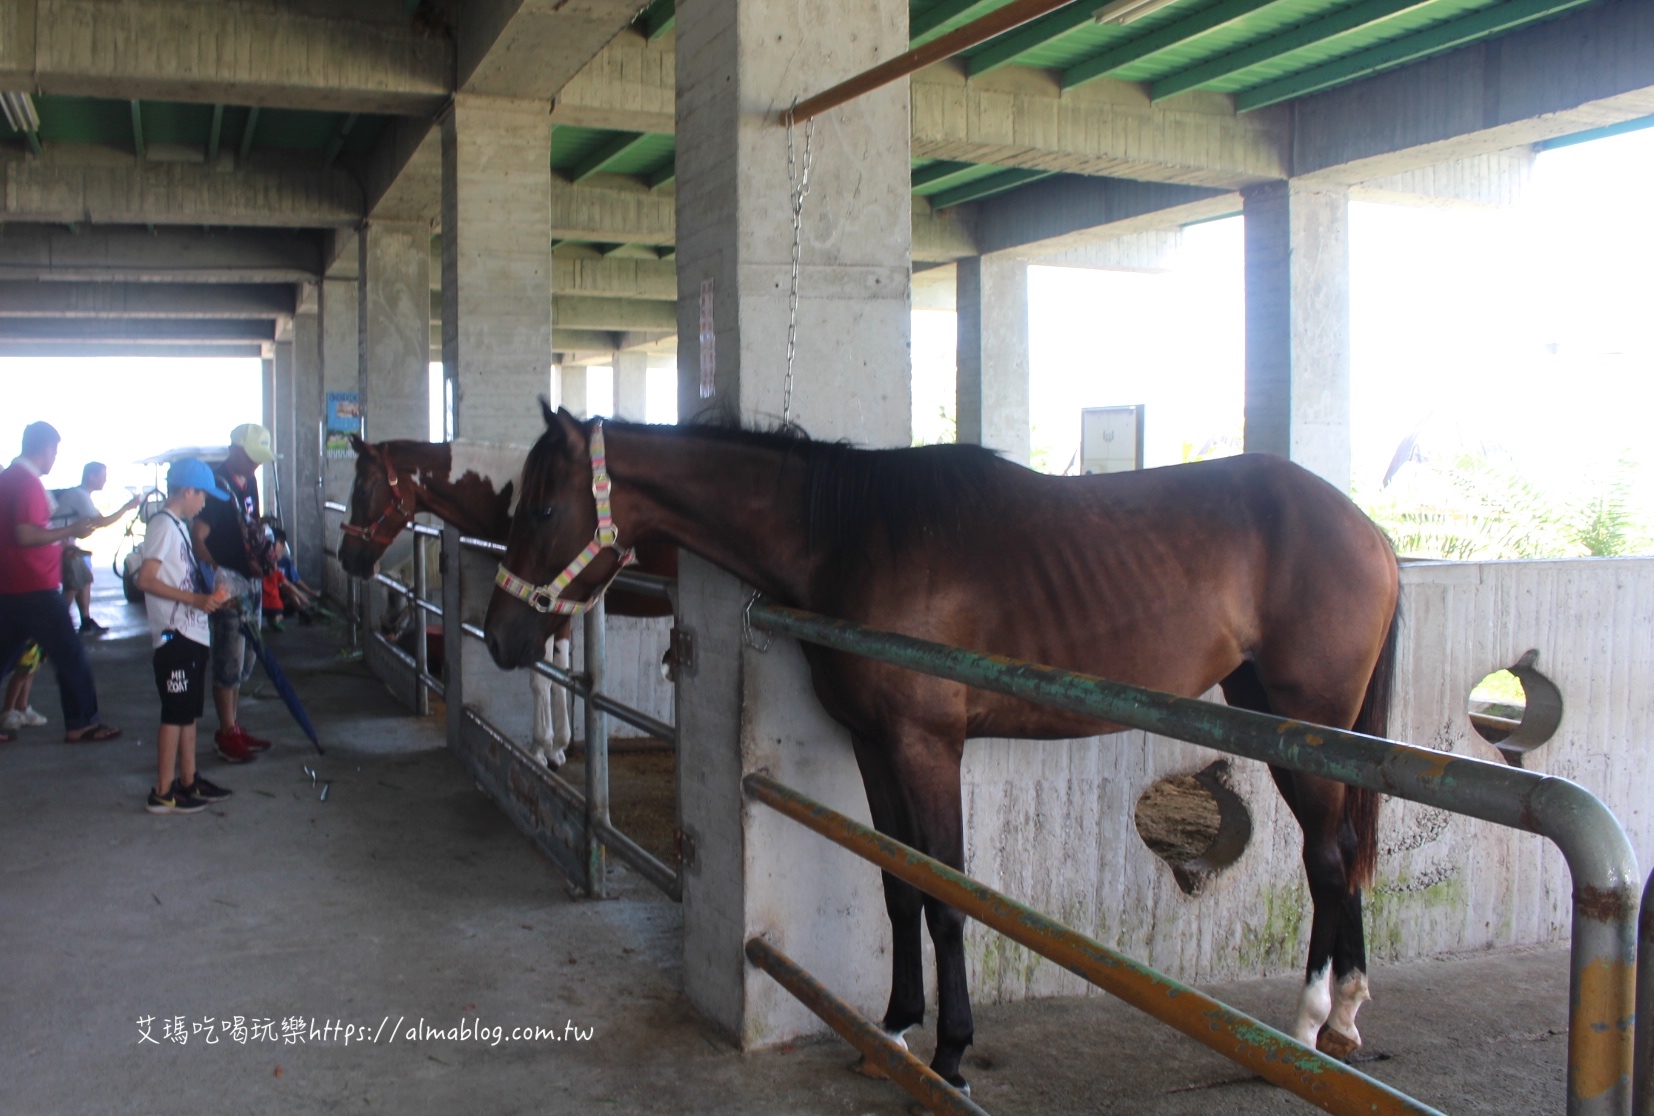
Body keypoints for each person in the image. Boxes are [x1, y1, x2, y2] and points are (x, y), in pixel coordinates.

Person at [0, 421, 121, 742]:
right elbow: (25, 535)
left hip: (10, 585)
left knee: (5, 657)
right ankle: (82, 722)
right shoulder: (27, 484)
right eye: (54, 451)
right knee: (70, 655)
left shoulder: (6, 480)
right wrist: (70, 532)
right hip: (34, 586)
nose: (55, 458)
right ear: (44, 449)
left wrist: (58, 546)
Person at [137, 458, 236, 813]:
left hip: (189, 631)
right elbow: (145, 580)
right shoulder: (163, 525)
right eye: (203, 495)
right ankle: (162, 791)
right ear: (187, 491)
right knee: (175, 713)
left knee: (188, 713)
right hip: (173, 633)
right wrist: (196, 599)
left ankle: (189, 781)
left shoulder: (177, 525)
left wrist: (207, 600)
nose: (205, 503)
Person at [192, 424, 276, 763]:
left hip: (250, 578)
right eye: (251, 459)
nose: (255, 466)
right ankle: (226, 733)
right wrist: (219, 575)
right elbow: (198, 537)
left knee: (246, 656)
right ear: (234, 451)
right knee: (228, 656)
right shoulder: (213, 486)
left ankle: (234, 725)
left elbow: (250, 523)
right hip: (228, 582)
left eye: (259, 461)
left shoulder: (249, 481)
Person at [50, 461, 140, 634]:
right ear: (91, 476)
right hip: (59, 545)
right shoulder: (79, 495)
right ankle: (56, 623)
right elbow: (101, 522)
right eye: (102, 477)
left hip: (65, 544)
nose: (104, 481)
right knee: (74, 583)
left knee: (84, 578)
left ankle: (85, 621)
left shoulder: (80, 494)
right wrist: (127, 507)